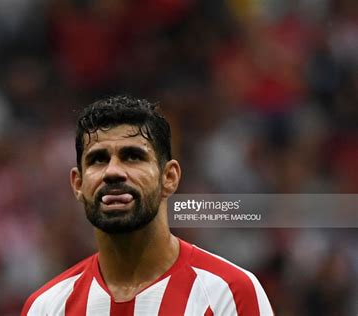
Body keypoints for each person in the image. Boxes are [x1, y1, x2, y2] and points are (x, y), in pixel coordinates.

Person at [21, 95, 274, 315]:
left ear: (169, 177)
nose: (113, 172)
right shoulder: (46, 308)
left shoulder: (229, 294)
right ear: (78, 183)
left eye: (133, 156)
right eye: (98, 159)